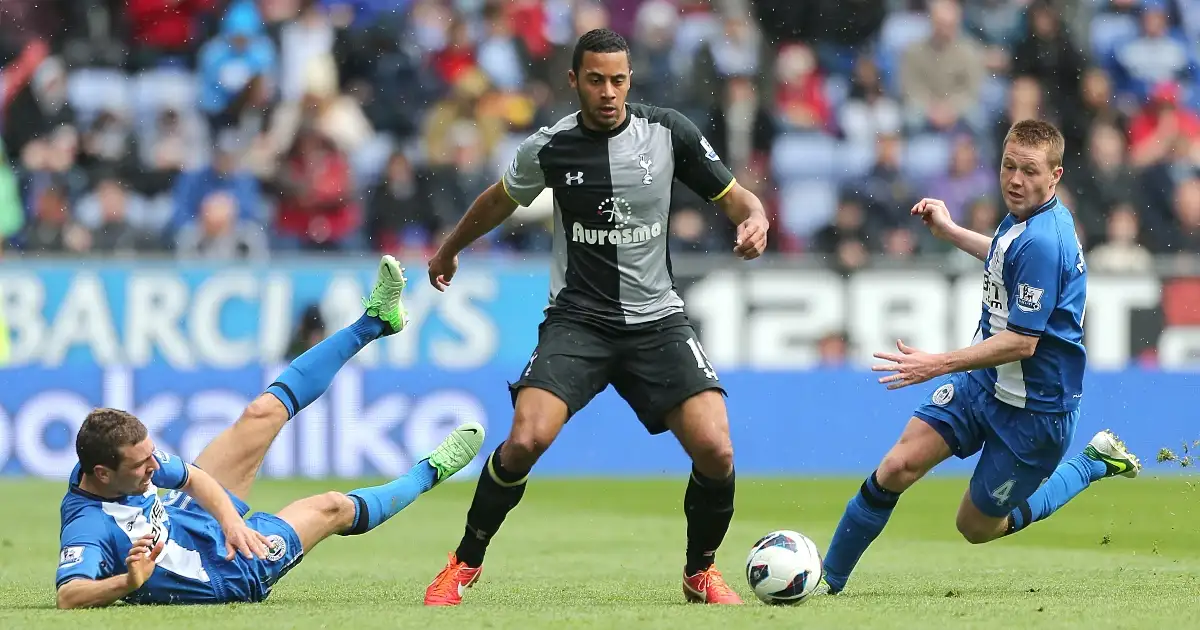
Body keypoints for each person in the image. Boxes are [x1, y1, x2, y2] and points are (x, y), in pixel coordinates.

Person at [422, 28, 771, 606]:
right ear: (574, 81)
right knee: (526, 439)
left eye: (618, 79)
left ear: (630, 79)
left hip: (658, 321)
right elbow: (498, 199)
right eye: (595, 80)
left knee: (717, 449)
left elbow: (740, 199)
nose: (608, 92)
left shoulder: (668, 132)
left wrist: (755, 221)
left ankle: (699, 571)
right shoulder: (550, 147)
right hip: (578, 321)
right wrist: (449, 248)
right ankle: (463, 563)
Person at [55, 255, 486, 608]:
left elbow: (190, 476)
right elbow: (69, 597)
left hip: (189, 519)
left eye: (151, 454)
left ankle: (374, 321)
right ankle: (430, 471)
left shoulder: (131, 460)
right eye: (142, 463)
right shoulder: (87, 526)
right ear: (103, 473)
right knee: (331, 506)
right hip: (222, 570)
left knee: (260, 412)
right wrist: (127, 582)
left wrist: (228, 519)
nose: (154, 464)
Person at [820, 120, 1141, 595]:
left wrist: (936, 363)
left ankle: (1092, 462)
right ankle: (827, 581)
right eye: (1009, 166)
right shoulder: (1027, 218)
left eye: (1029, 170)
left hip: (1035, 414)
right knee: (896, 467)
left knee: (974, 526)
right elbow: (1003, 256)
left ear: (1056, 175)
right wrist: (951, 232)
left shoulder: (1045, 241)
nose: (1015, 179)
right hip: (984, 385)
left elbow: (1022, 342)